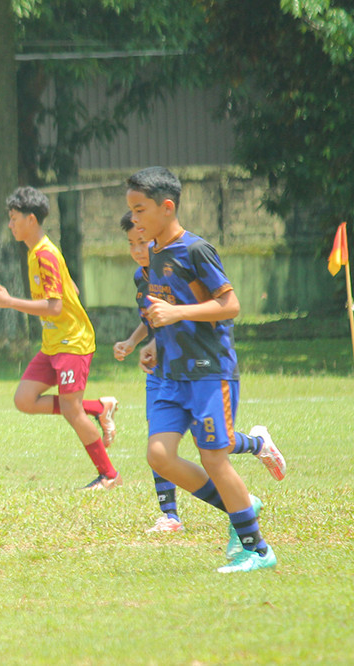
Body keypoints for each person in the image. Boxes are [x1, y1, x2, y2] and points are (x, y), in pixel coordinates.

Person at [126, 166, 280, 572]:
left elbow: (230, 306)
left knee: (214, 457)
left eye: (140, 211)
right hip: (172, 374)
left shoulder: (195, 250)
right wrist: (154, 343)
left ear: (167, 207)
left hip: (210, 371)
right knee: (159, 456)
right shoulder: (154, 256)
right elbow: (167, 312)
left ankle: (257, 549)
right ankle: (241, 506)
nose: (135, 220)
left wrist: (176, 313)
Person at [0, 186, 120, 490]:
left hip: (72, 343)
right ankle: (99, 408)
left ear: (31, 219)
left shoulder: (45, 254)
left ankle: (109, 475)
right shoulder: (40, 252)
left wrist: (10, 302)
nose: (10, 225)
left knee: (72, 410)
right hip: (53, 344)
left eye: (14, 218)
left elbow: (56, 306)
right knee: (24, 400)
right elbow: (72, 289)